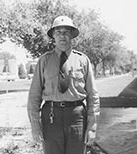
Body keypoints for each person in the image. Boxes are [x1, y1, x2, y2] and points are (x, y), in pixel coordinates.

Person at [27, 15, 100, 154]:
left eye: (66, 32)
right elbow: (34, 95)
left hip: (77, 117)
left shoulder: (82, 61)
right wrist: (35, 125)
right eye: (58, 32)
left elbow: (93, 95)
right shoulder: (44, 61)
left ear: (72, 35)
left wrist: (92, 127)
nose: (62, 36)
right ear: (53, 36)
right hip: (51, 117)